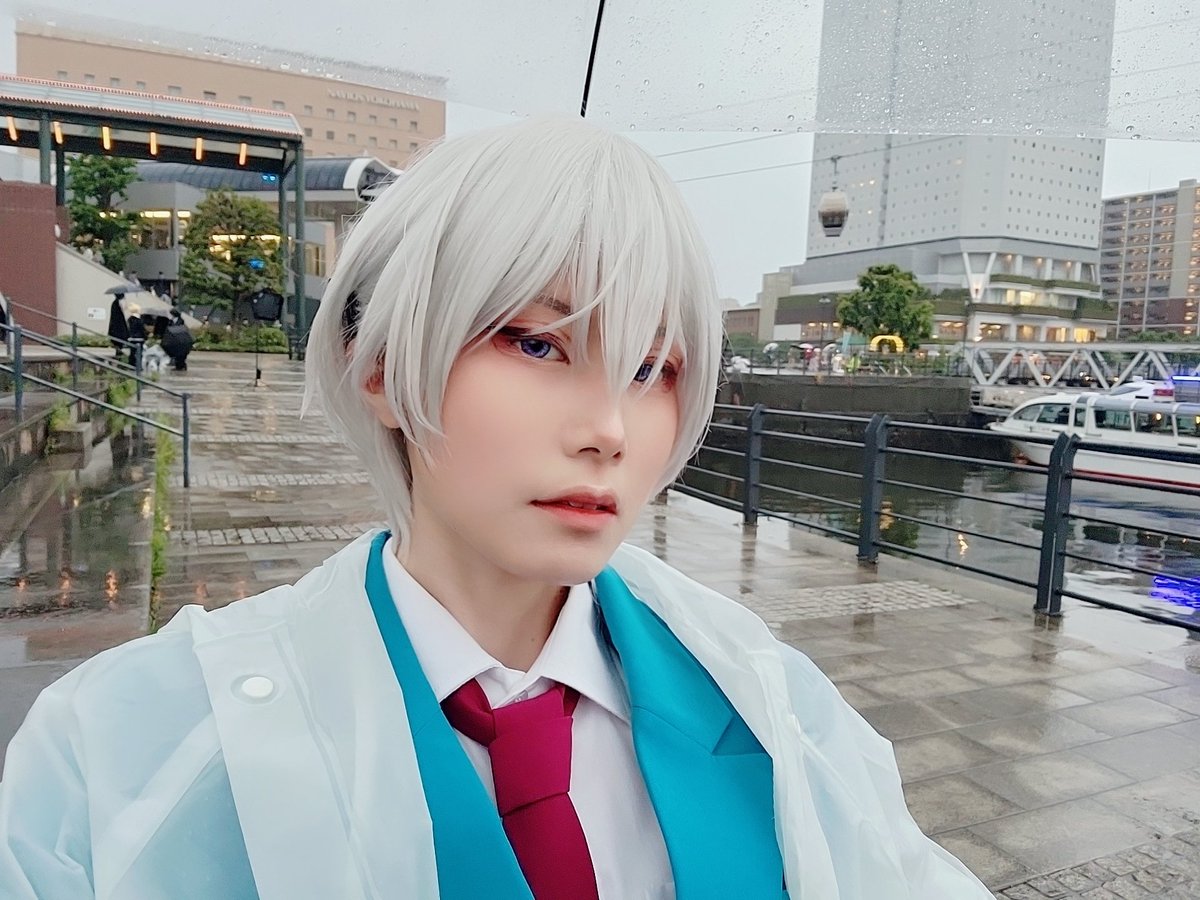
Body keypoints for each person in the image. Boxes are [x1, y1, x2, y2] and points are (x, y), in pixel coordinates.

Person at [0, 119, 991, 899]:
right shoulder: (127, 751)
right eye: (538, 344)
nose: (609, 428)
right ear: (379, 366)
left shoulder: (771, 702)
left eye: (652, 368)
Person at [106, 293, 130, 360]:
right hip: (118, 331)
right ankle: (118, 358)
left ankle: (118, 357)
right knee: (119, 344)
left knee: (119, 345)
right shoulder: (116, 304)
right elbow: (119, 320)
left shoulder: (116, 304)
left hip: (116, 330)